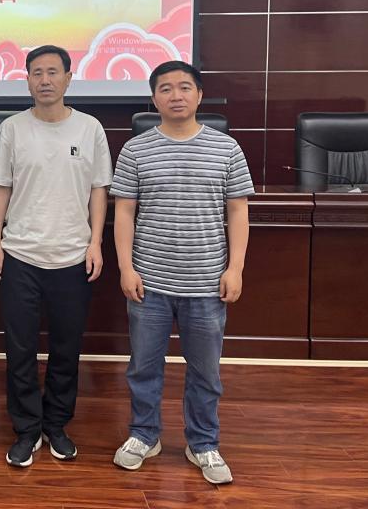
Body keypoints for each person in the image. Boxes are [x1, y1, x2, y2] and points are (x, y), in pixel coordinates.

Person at [110, 60, 252, 485]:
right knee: (143, 367)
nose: (176, 95)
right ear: (154, 98)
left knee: (205, 371)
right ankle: (144, 435)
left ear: (199, 95)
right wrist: (126, 267)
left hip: (206, 282)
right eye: (166, 88)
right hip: (149, 281)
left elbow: (238, 212)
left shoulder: (227, 149)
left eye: (185, 87)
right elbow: (124, 213)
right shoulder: (135, 150)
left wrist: (235, 268)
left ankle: (203, 443)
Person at [0, 45, 113, 468]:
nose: (45, 80)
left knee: (66, 347)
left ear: (68, 78)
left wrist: (95, 242)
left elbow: (99, 189)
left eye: (53, 72)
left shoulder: (90, 128)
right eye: (36, 72)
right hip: (20, 253)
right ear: (27, 79)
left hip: (73, 255)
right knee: (19, 348)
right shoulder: (11, 129)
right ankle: (26, 428)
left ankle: (56, 425)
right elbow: (0, 187)